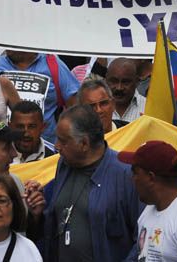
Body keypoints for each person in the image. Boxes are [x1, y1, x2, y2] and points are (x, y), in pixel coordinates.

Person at [43, 105, 141, 261]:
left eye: (63, 140)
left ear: (84, 143)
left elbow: (143, 239)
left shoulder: (127, 175)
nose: (56, 146)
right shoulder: (64, 164)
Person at [0, 50, 79, 144]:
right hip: (5, 145)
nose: (10, 47)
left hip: (48, 145)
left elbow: (74, 105)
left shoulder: (53, 64)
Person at [106, 58, 146, 124]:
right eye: (114, 81)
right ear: (106, 80)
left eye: (125, 82)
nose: (119, 88)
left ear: (137, 81)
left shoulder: (147, 109)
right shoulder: (98, 109)